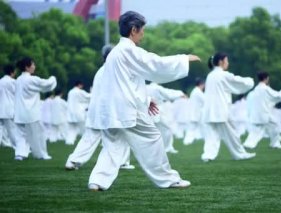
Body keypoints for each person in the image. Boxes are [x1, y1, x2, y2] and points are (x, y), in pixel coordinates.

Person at [87, 11, 200, 191]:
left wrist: (147, 100)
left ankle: (97, 181)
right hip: (127, 108)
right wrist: (184, 59)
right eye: (142, 30)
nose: (143, 35)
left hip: (112, 108)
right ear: (133, 30)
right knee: (153, 138)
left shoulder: (115, 53)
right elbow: (155, 64)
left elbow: (124, 84)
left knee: (113, 145)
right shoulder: (128, 50)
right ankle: (169, 179)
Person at [65, 45, 134, 171]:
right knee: (121, 135)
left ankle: (73, 161)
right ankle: (122, 162)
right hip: (107, 111)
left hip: (96, 111)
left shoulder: (101, 71)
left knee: (89, 138)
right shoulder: (113, 71)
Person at [201, 52, 255, 162]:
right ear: (221, 62)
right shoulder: (223, 75)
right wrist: (250, 81)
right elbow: (238, 82)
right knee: (232, 134)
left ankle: (208, 155)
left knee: (212, 135)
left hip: (210, 110)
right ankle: (239, 154)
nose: (228, 63)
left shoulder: (210, 75)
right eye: (227, 60)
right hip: (221, 110)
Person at [14, 57, 57, 160]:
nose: (34, 66)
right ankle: (41, 154)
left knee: (21, 134)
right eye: (32, 64)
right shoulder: (31, 79)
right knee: (39, 133)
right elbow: (47, 85)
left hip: (19, 112)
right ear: (27, 67)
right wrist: (53, 78)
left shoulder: (18, 80)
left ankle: (20, 154)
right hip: (31, 112)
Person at [244, 72, 281, 149]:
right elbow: (278, 96)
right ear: (266, 78)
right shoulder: (265, 89)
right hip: (264, 113)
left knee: (257, 131)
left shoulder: (255, 90)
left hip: (257, 114)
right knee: (273, 126)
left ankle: (249, 144)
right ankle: (274, 143)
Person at [146, 82, 186, 154]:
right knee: (167, 128)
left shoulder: (144, 87)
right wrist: (180, 93)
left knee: (152, 130)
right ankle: (167, 147)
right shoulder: (156, 87)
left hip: (146, 110)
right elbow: (169, 94)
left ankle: (154, 149)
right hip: (157, 109)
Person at [66, 81, 91, 145]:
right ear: (79, 85)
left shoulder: (70, 92)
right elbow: (88, 97)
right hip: (78, 113)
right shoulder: (79, 92)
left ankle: (69, 142)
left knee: (71, 129)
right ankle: (87, 141)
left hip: (70, 113)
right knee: (84, 128)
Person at [0, 64, 18, 148]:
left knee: (1, 128)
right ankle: (18, 147)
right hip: (9, 108)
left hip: (1, 108)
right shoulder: (13, 82)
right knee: (12, 130)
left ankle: (4, 143)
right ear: (12, 72)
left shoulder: (1, 81)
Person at [183, 78, 205, 145]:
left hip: (194, 113)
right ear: (201, 84)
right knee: (192, 129)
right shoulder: (198, 92)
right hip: (195, 113)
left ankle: (188, 141)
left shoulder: (195, 91)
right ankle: (187, 141)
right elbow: (205, 100)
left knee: (193, 128)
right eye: (203, 84)